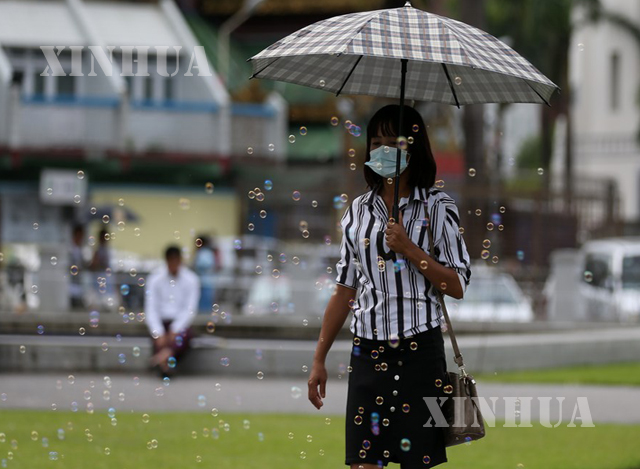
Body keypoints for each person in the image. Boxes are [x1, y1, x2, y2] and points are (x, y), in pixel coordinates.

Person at [308, 104, 472, 469]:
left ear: (413, 148)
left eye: (393, 143)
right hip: (367, 354)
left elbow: (457, 284)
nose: (382, 151)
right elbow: (344, 291)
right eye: (376, 142)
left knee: (417, 463)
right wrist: (318, 359)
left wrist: (409, 249)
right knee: (362, 464)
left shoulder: (438, 208)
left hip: (419, 354)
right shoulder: (358, 212)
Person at [144, 245, 200, 378]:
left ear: (180, 260)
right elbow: (151, 308)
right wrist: (158, 331)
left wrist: (175, 328)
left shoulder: (191, 279)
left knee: (182, 336)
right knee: (160, 339)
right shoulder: (155, 278)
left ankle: (161, 359)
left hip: (180, 323)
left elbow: (190, 309)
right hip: (161, 322)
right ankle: (166, 363)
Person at [68, 224, 92, 310]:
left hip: (80, 284)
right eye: (78, 235)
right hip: (71, 284)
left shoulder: (82, 250)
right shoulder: (70, 249)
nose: (80, 238)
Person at [193, 234, 216, 313]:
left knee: (204, 304)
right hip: (204, 282)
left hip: (205, 282)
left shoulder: (204, 252)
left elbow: (205, 264)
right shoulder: (206, 252)